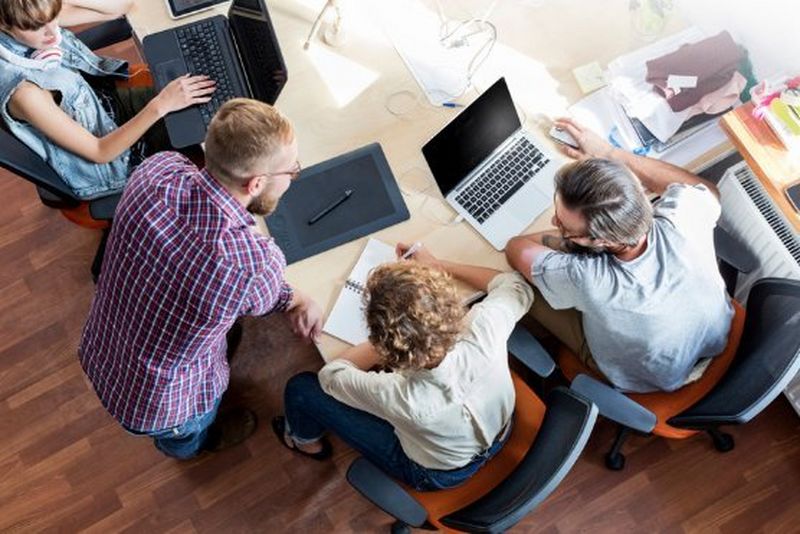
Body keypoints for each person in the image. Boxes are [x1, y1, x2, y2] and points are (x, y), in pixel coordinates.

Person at [79, 99, 323, 459]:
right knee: (187, 432)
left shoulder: (157, 171)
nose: (292, 178)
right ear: (256, 183)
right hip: (162, 402)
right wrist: (299, 299)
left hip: (101, 347)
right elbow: (270, 296)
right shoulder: (252, 264)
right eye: (292, 172)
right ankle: (195, 445)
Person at [505, 117, 734, 394]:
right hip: (714, 336)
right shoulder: (684, 212)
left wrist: (565, 243)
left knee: (514, 285)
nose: (554, 222)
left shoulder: (586, 278)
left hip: (651, 377)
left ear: (601, 241)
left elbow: (516, 247)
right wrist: (610, 154)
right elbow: (710, 191)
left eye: (564, 225)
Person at [274, 250, 534, 490]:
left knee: (301, 388)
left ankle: (304, 440)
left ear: (387, 344)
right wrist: (439, 266)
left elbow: (331, 376)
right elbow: (516, 285)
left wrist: (389, 342)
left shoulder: (399, 396)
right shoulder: (483, 327)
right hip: (503, 428)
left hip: (437, 473)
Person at [0, 0, 215, 199]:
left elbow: (120, 6)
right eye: (37, 26)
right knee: (221, 140)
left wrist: (55, 4)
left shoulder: (36, 16)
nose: (51, 31)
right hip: (119, 160)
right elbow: (100, 152)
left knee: (213, 95)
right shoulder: (26, 94)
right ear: (3, 25)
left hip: (109, 108)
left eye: (53, 17)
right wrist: (162, 104)